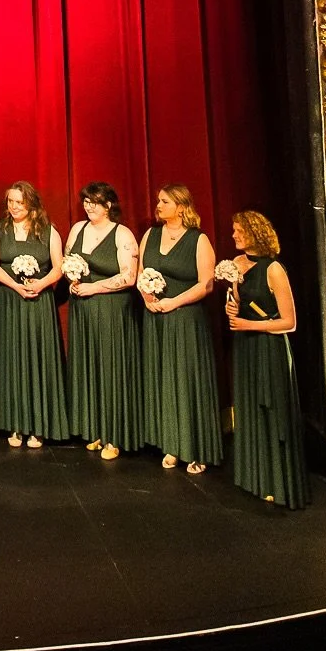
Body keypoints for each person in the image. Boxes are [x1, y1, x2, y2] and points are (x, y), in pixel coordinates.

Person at [225, 210, 309, 508]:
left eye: (238, 230)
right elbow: (236, 304)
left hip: (269, 348)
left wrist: (249, 325)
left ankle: (278, 481)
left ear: (254, 233)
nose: (233, 235)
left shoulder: (274, 270)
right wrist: (233, 312)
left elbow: (289, 322)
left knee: (271, 409)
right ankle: (256, 478)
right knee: (249, 408)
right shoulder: (235, 265)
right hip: (245, 348)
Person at [139, 184, 222, 474]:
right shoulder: (150, 235)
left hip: (185, 318)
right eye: (158, 200)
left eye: (164, 201)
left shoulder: (198, 240)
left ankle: (195, 446)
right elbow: (142, 274)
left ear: (182, 207)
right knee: (162, 378)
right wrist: (148, 298)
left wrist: (174, 302)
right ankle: (171, 443)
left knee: (186, 381)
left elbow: (206, 283)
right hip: (155, 317)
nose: (158, 205)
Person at [0, 181, 68, 449]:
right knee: (13, 360)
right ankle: (15, 424)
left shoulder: (48, 231)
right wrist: (16, 286)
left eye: (19, 202)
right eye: (10, 201)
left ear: (32, 203)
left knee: (38, 360)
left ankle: (38, 426)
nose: (13, 207)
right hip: (10, 300)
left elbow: (59, 267)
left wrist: (40, 284)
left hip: (39, 302)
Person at [65, 181, 142, 461]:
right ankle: (95, 428)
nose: (88, 206)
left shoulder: (122, 234)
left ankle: (115, 435)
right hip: (83, 308)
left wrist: (94, 287)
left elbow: (128, 277)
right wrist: (73, 280)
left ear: (109, 205)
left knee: (111, 369)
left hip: (111, 309)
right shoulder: (78, 230)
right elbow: (69, 260)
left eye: (94, 202)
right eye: (85, 201)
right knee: (90, 367)